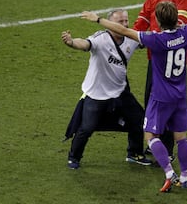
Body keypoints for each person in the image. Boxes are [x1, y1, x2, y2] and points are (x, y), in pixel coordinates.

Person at [80, 0, 187, 192]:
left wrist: (98, 19)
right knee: (181, 138)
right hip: (181, 95)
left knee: (150, 136)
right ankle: (185, 176)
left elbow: (123, 30)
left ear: (157, 20)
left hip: (160, 97)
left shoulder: (155, 39)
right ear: (176, 17)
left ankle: (169, 172)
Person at [61, 9, 152, 169]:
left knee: (139, 120)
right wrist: (71, 42)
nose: (124, 24)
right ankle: (74, 157)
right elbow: (85, 44)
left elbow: (151, 39)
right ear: (110, 25)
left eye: (126, 21)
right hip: (97, 93)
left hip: (120, 91)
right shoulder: (101, 39)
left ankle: (135, 153)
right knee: (87, 128)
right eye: (120, 22)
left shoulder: (131, 37)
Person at [133, 0, 187, 161]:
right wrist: (137, 34)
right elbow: (146, 12)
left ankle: (166, 151)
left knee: (167, 103)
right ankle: (157, 144)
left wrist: (151, 38)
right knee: (151, 101)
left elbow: (179, 24)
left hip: (168, 57)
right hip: (156, 55)